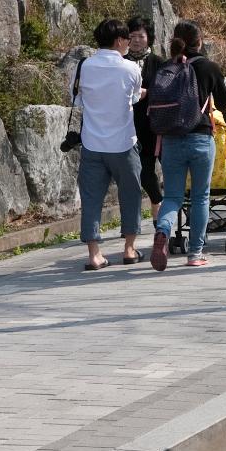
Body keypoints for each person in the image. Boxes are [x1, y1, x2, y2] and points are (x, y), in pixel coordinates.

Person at [149, 20, 226, 270]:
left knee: (173, 196)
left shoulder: (166, 67)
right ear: (200, 41)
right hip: (200, 138)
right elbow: (225, 103)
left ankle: (162, 230)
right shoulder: (208, 67)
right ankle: (195, 253)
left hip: (171, 139)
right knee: (200, 197)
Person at [75, 19, 146, 271]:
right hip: (124, 144)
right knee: (131, 194)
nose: (129, 43)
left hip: (92, 144)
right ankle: (128, 249)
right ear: (119, 41)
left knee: (91, 199)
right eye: (127, 39)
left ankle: (95, 255)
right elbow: (136, 97)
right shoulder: (130, 68)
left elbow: (79, 98)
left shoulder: (85, 65)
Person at [126, 16, 163, 221]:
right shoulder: (121, 63)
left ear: (149, 38)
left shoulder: (158, 62)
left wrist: (149, 93)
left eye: (141, 36)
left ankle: (167, 212)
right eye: (132, 36)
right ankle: (157, 200)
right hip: (133, 126)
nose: (137, 40)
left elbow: (167, 89)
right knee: (143, 171)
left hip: (158, 125)